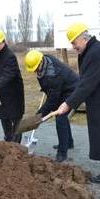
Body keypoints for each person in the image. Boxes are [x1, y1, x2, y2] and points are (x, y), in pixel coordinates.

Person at [56, 22, 100, 181]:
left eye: (74, 42)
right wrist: (69, 101)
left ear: (83, 38)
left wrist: (68, 104)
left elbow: (87, 83)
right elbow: (84, 82)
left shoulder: (95, 52)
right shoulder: (89, 51)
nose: (73, 46)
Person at [24, 50, 79, 162]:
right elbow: (50, 89)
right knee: (60, 115)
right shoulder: (45, 59)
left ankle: (62, 153)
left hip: (72, 90)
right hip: (61, 88)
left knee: (60, 117)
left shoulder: (53, 75)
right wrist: (46, 88)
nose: (34, 71)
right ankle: (69, 143)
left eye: (35, 68)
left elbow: (52, 101)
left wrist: (39, 116)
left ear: (40, 62)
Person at [0, 29, 24, 144]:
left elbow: (9, 74)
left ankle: (16, 146)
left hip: (13, 93)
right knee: (4, 116)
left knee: (16, 119)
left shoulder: (9, 56)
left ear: (3, 42)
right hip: (1, 92)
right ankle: (8, 141)